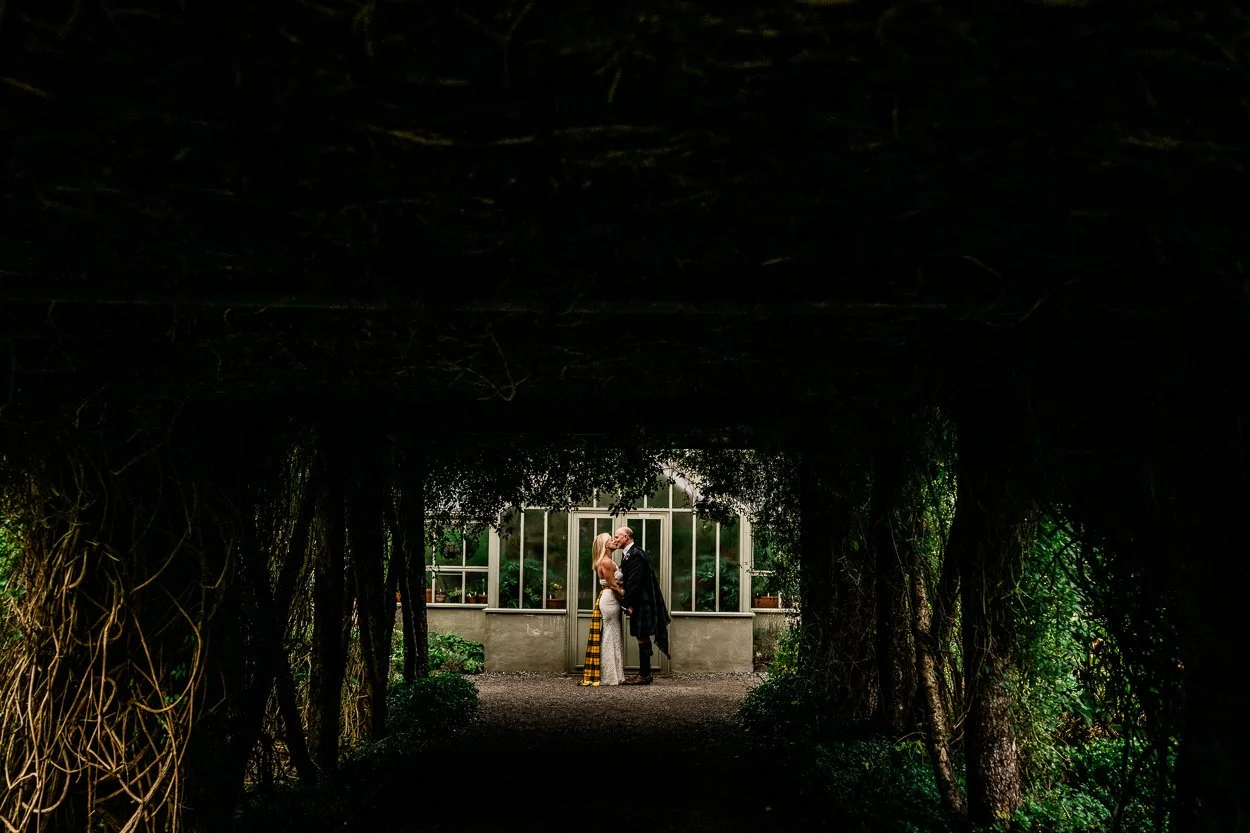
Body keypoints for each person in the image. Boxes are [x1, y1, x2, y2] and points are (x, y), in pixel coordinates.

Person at [615, 525, 671, 685]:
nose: (615, 540)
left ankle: (645, 675)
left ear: (627, 537)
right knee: (642, 636)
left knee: (642, 635)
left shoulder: (635, 554)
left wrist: (628, 604)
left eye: (617, 537)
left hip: (641, 602)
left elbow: (634, 582)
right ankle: (645, 673)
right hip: (639, 602)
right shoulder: (629, 554)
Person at [580, 532, 626, 686]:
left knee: (613, 633)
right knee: (609, 633)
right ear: (605, 545)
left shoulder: (610, 561)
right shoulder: (605, 562)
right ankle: (609, 675)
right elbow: (613, 585)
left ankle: (615, 674)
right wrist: (625, 600)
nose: (614, 541)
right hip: (610, 600)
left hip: (612, 599)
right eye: (611, 539)